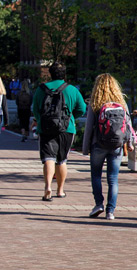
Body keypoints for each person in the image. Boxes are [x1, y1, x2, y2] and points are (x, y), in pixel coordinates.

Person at [32, 61, 86, 201]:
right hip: (66, 128)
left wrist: (41, 120)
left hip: (46, 128)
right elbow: (82, 108)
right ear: (64, 74)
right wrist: (71, 117)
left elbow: (36, 109)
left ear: (50, 73)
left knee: (48, 158)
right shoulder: (72, 89)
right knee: (62, 160)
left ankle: (47, 187)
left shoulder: (41, 89)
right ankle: (60, 190)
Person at [83, 73, 134, 220]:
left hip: (98, 144)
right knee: (113, 179)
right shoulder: (121, 102)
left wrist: (85, 148)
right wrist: (129, 143)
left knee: (96, 175)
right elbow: (128, 125)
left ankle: (99, 204)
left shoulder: (96, 102)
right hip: (117, 145)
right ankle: (110, 211)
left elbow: (88, 127)